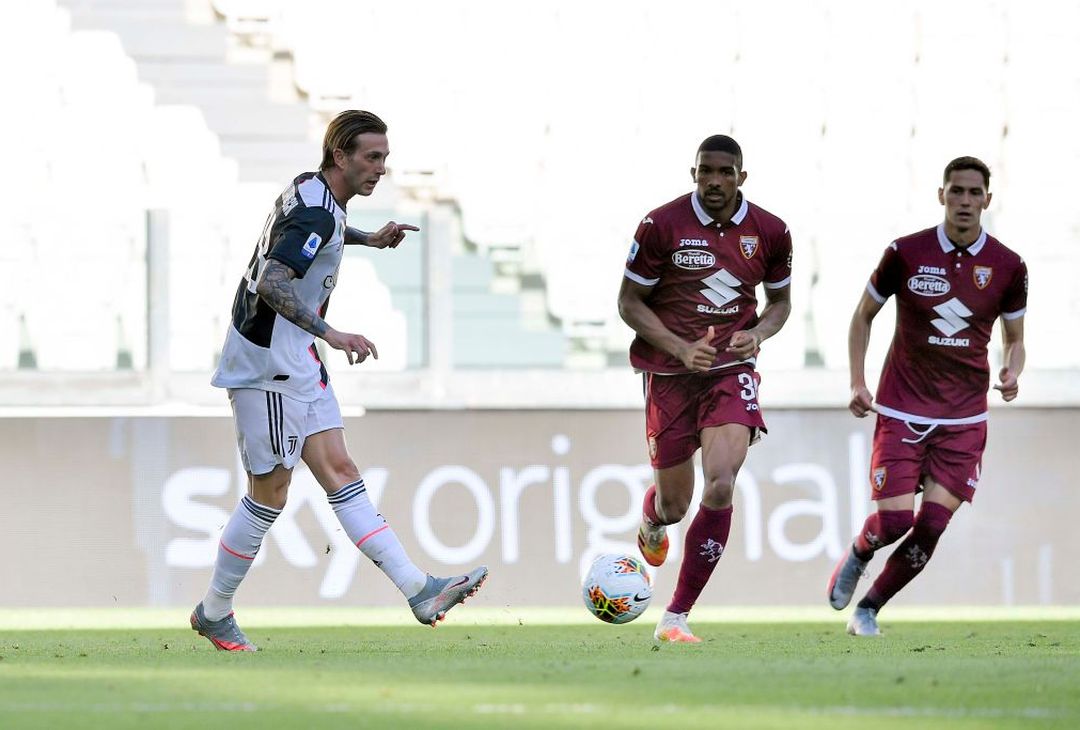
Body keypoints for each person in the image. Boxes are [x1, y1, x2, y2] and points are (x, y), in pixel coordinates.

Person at [191, 110, 488, 651]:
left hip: (296, 358)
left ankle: (419, 590)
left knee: (341, 470)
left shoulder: (313, 194)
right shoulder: (316, 217)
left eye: (384, 159)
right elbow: (271, 281)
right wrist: (332, 332)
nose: (380, 169)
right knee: (270, 495)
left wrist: (368, 239)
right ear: (340, 157)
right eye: (371, 158)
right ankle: (215, 610)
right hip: (267, 365)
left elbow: (319, 232)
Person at [827, 156, 1027, 636]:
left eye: (973, 193)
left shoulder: (1008, 266)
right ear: (941, 195)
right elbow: (862, 317)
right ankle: (860, 551)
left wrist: (1012, 371)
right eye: (955, 191)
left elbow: (1015, 339)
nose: (964, 201)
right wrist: (858, 381)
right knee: (895, 523)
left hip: (963, 420)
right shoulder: (905, 252)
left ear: (987, 200)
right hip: (901, 408)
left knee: (933, 524)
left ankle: (868, 609)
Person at [619, 135, 793, 643]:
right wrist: (678, 348)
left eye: (724, 172)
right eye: (704, 172)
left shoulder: (772, 231)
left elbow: (780, 303)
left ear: (742, 176)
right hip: (670, 375)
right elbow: (629, 303)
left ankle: (675, 615)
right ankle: (652, 519)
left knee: (721, 482)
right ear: (693, 173)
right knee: (675, 506)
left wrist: (758, 333)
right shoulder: (660, 225)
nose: (714, 181)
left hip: (730, 372)